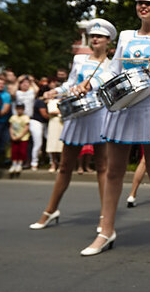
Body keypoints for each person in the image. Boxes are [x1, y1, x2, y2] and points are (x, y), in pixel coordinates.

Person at [79, 0, 150, 258]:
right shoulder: (124, 36)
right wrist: (92, 84)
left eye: (149, 3)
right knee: (113, 171)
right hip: (123, 109)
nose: (143, 6)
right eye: (139, 3)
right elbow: (112, 71)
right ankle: (106, 229)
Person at [29, 18, 116, 231]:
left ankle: (105, 218)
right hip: (77, 115)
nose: (95, 39)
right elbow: (70, 84)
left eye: (100, 36)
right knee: (65, 166)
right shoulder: (79, 60)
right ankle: (50, 211)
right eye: (92, 36)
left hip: (99, 115)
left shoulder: (112, 65)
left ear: (108, 41)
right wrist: (55, 91)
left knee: (103, 167)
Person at [8, 103, 31, 178]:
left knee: (22, 151)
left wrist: (20, 136)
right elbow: (10, 127)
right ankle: (14, 164)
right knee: (14, 151)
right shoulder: (13, 117)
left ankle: (20, 164)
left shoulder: (25, 117)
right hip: (14, 137)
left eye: (21, 109)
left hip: (23, 137)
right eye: (18, 108)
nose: (19, 110)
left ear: (23, 109)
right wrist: (12, 135)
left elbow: (26, 128)